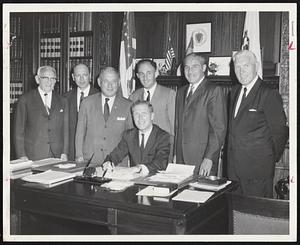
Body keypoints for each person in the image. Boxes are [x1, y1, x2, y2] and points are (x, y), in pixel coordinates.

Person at [227, 50, 288, 198]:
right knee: (235, 216)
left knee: (255, 217)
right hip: (233, 170)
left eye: (246, 65)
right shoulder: (234, 92)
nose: (241, 71)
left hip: (257, 171)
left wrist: (267, 158)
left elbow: (280, 132)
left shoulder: (268, 93)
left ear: (257, 66)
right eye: (237, 67)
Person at [174, 53, 227, 177]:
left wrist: (209, 158)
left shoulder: (213, 91)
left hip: (202, 160)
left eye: (194, 67)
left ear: (203, 68)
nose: (190, 71)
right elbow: (178, 126)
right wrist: (176, 154)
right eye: (186, 67)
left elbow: (218, 129)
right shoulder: (181, 92)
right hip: (181, 160)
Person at [75, 67, 132, 165]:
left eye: (114, 81)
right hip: (90, 161)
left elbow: (131, 138)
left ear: (118, 83)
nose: (110, 85)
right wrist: (79, 155)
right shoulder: (87, 103)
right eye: (106, 81)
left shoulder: (128, 105)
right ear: (99, 82)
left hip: (118, 163)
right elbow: (80, 132)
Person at [101, 100, 170, 175]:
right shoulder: (129, 135)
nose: (140, 118)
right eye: (136, 114)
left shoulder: (162, 136)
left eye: (144, 114)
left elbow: (161, 163)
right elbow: (115, 155)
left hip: (155, 180)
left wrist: (139, 168)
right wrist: (109, 162)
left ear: (152, 116)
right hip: (134, 181)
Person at [14, 66, 69, 161]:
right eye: (45, 78)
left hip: (57, 155)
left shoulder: (62, 101)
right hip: (33, 155)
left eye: (53, 78)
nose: (49, 82)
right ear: (37, 79)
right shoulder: (25, 100)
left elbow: (66, 129)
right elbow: (18, 130)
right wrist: (21, 155)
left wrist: (65, 152)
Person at [130, 59, 176, 162]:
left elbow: (174, 128)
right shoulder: (134, 96)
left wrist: (174, 153)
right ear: (137, 76)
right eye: (141, 74)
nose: (145, 77)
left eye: (149, 73)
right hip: (140, 152)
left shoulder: (169, 94)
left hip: (162, 151)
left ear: (156, 73)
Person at [64, 64, 98, 160]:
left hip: (94, 151)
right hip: (71, 150)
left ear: (90, 76)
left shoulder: (99, 96)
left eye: (85, 75)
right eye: (78, 75)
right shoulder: (65, 98)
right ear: (73, 77)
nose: (82, 79)